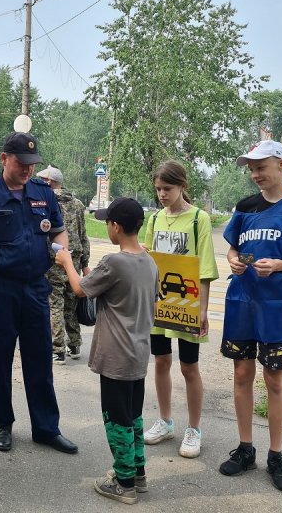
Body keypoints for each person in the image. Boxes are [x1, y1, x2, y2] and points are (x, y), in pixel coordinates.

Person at [218, 140, 282, 493]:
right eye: (251, 168)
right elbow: (233, 245)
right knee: (241, 373)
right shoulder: (245, 207)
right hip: (242, 299)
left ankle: (276, 454)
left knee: (276, 379)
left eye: (261, 166)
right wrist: (233, 258)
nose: (255, 174)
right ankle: (246, 448)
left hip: (276, 304)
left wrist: (280, 265)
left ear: (281, 163)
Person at [0, 132, 78, 455]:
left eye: (32, 164)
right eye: (21, 163)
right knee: (0, 359)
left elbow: (59, 230)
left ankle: (46, 428)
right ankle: (2, 424)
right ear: (5, 159)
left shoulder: (42, 193)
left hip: (36, 287)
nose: (28, 170)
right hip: (0, 290)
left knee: (40, 358)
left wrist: (61, 253)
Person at [55, 197, 157, 505]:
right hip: (138, 354)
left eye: (108, 222)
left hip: (115, 356)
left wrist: (67, 262)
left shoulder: (114, 262)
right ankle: (137, 473)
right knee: (133, 415)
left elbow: (79, 289)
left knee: (116, 419)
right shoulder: (149, 261)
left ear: (116, 227)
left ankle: (123, 482)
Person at [142, 161, 218, 459]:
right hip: (159, 302)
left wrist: (202, 311)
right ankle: (165, 420)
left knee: (189, 367)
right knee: (161, 361)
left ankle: (194, 428)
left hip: (187, 303)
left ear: (182, 186)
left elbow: (206, 269)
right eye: (158, 189)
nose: (162, 194)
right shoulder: (155, 218)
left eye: (167, 189)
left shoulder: (199, 219)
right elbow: (146, 260)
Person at [36, 165, 91, 365]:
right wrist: (84, 265)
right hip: (73, 260)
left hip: (54, 260)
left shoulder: (46, 202)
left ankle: (57, 349)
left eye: (42, 180)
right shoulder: (77, 204)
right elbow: (84, 236)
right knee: (71, 303)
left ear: (50, 183)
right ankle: (74, 344)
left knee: (54, 304)